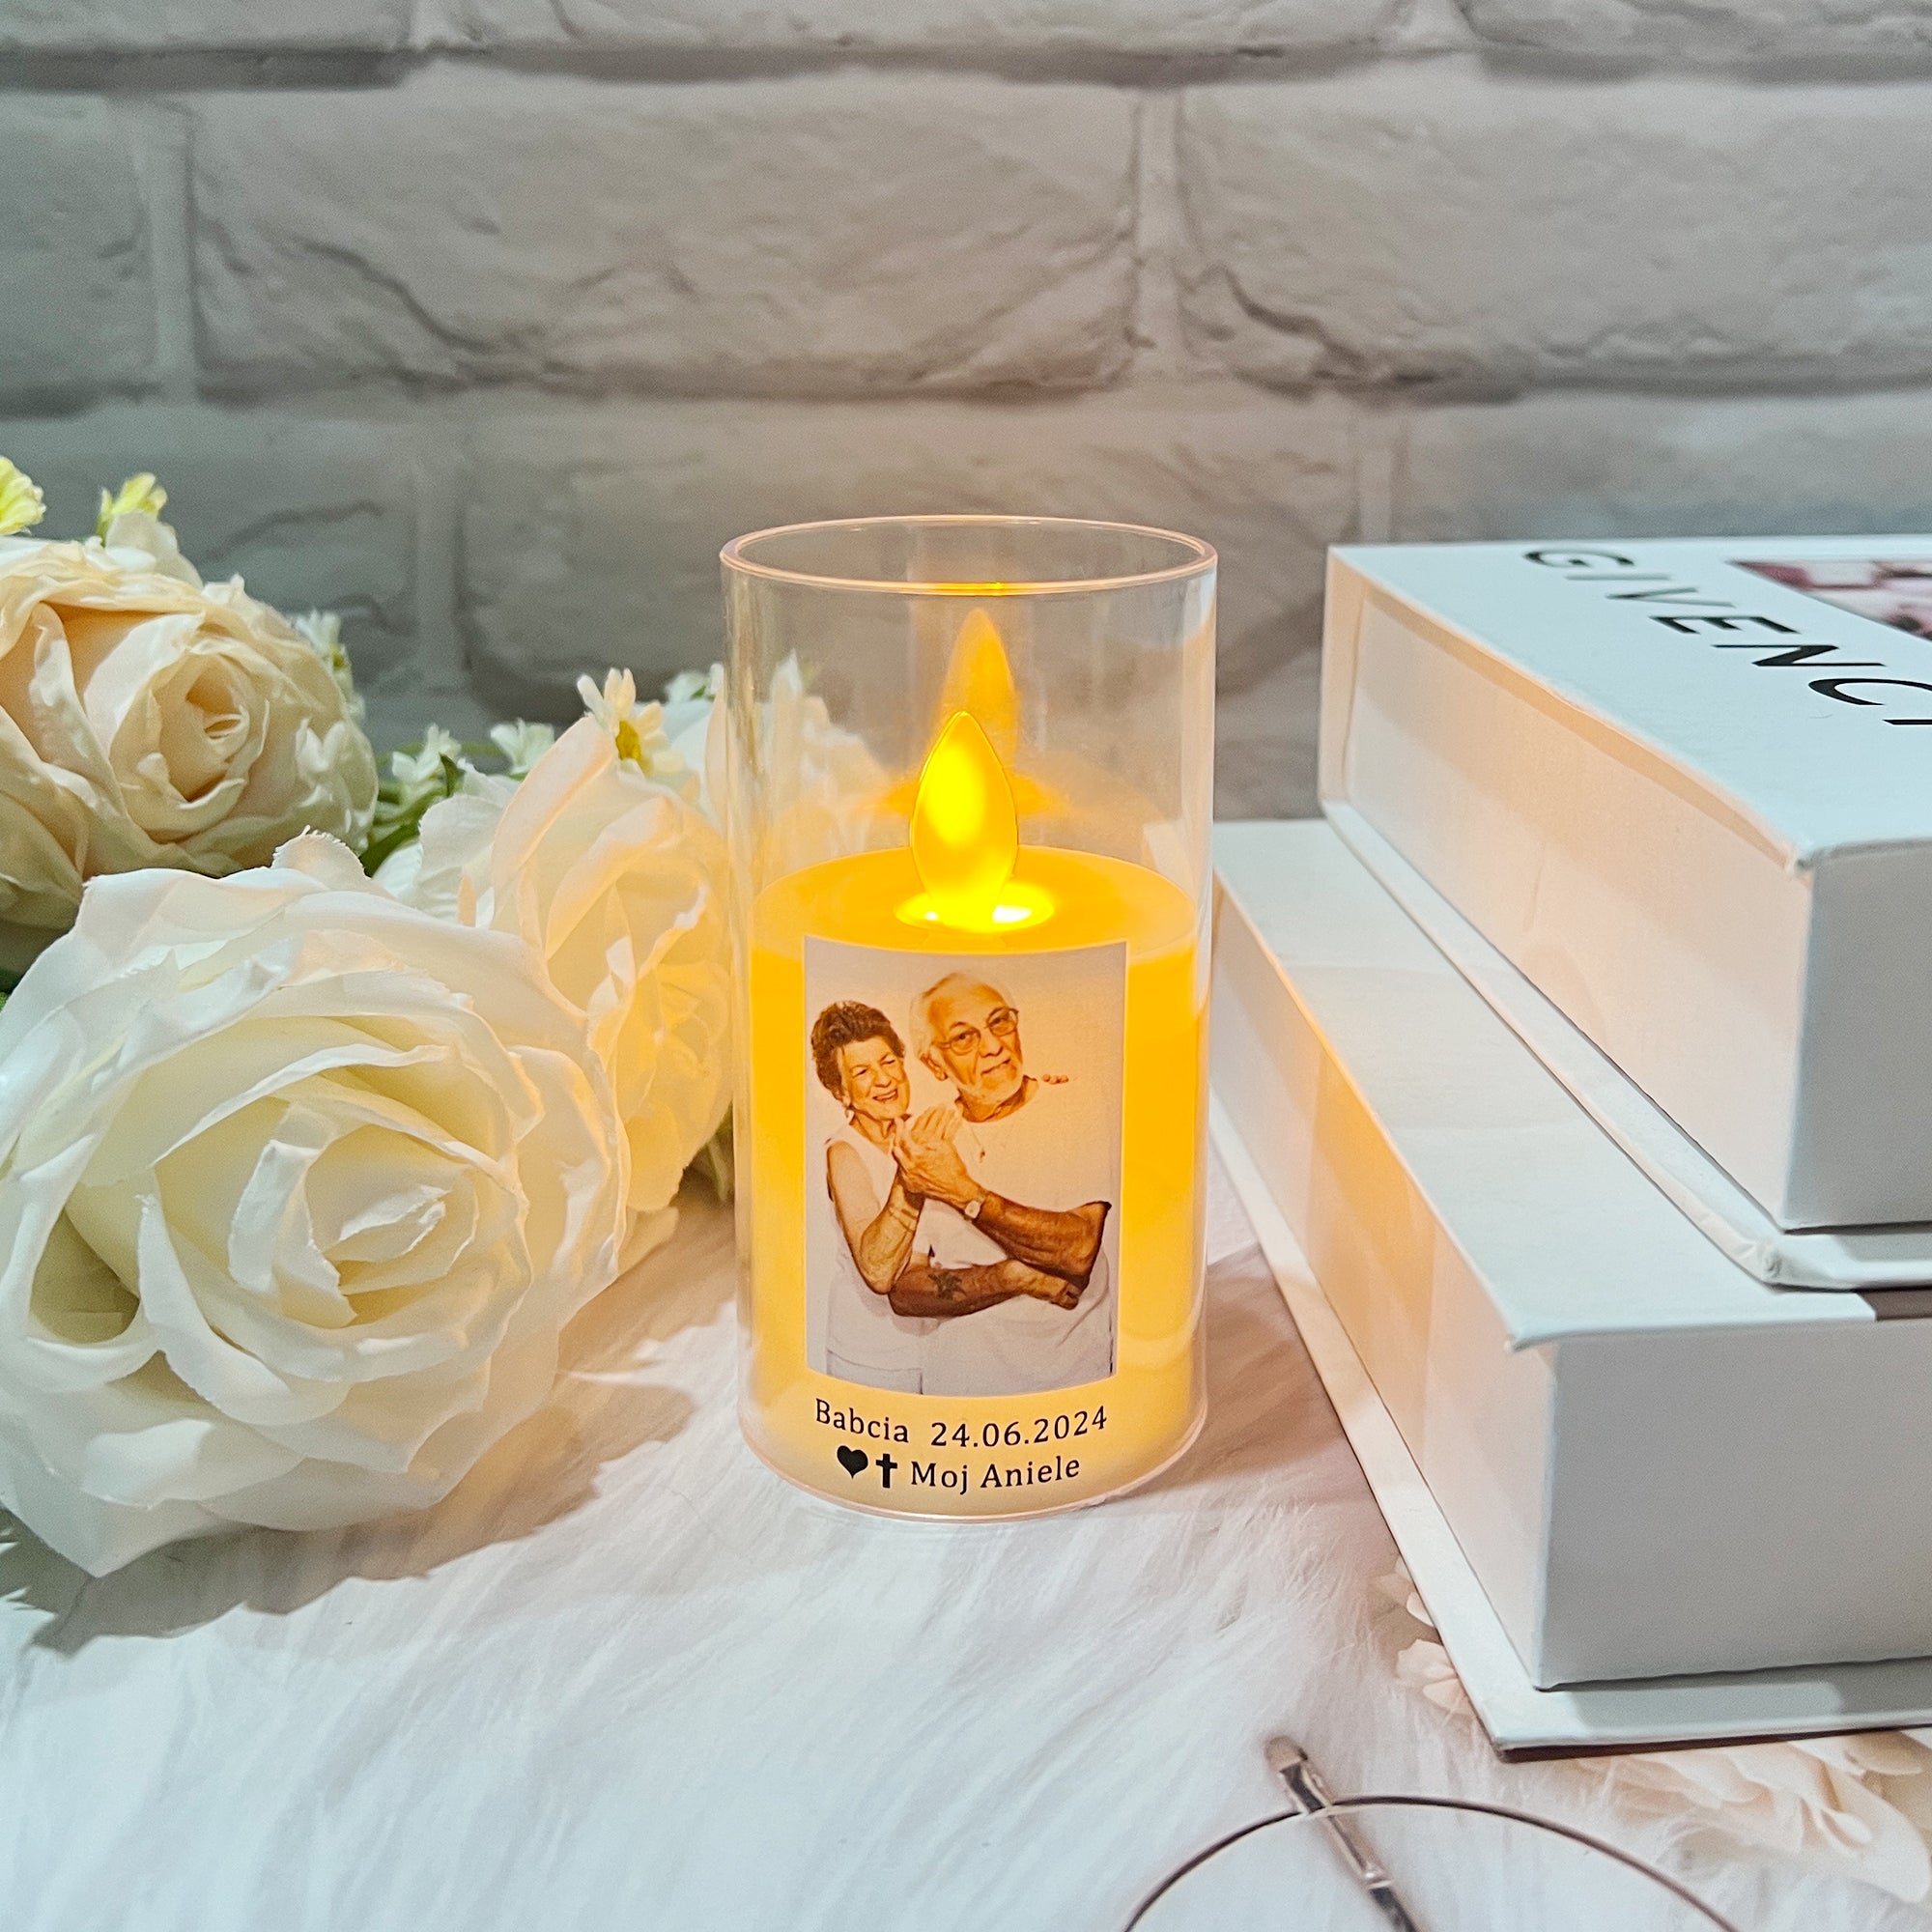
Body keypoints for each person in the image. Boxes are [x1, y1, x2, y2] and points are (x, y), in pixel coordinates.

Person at [809, 1002, 1067, 1392]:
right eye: (862, 1072)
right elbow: (878, 1272)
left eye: (888, 1062)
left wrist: (1040, 1100)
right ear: (840, 1091)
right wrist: (913, 1177)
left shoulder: (925, 1128)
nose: (884, 1079)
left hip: (941, 1345)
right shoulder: (844, 1152)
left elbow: (995, 1136)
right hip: (873, 1359)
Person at [894, 973, 1117, 1396]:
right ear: (934, 1064)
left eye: (1000, 1021)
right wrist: (1012, 1276)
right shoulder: (927, 1138)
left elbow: (1078, 1250)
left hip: (1072, 1387)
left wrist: (962, 1192)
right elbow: (904, 1291)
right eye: (964, 1038)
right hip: (956, 1389)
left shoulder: (1073, 1102)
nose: (993, 1046)